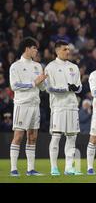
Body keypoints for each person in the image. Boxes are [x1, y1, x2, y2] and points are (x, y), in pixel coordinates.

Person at [9, 37, 47, 176]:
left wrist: (44, 82)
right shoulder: (16, 66)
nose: (36, 51)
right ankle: (14, 169)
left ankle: (30, 169)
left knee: (32, 137)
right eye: (34, 48)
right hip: (22, 104)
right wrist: (33, 83)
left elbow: (41, 87)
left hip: (34, 105)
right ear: (27, 49)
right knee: (18, 136)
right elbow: (14, 85)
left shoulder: (38, 66)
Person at [45, 40, 82, 176]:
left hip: (72, 106)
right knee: (56, 137)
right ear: (57, 51)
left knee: (71, 137)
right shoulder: (50, 67)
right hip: (58, 106)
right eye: (65, 49)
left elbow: (79, 86)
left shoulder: (74, 67)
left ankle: (68, 168)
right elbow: (49, 88)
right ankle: (54, 168)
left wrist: (77, 88)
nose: (68, 51)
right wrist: (66, 88)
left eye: (68, 49)